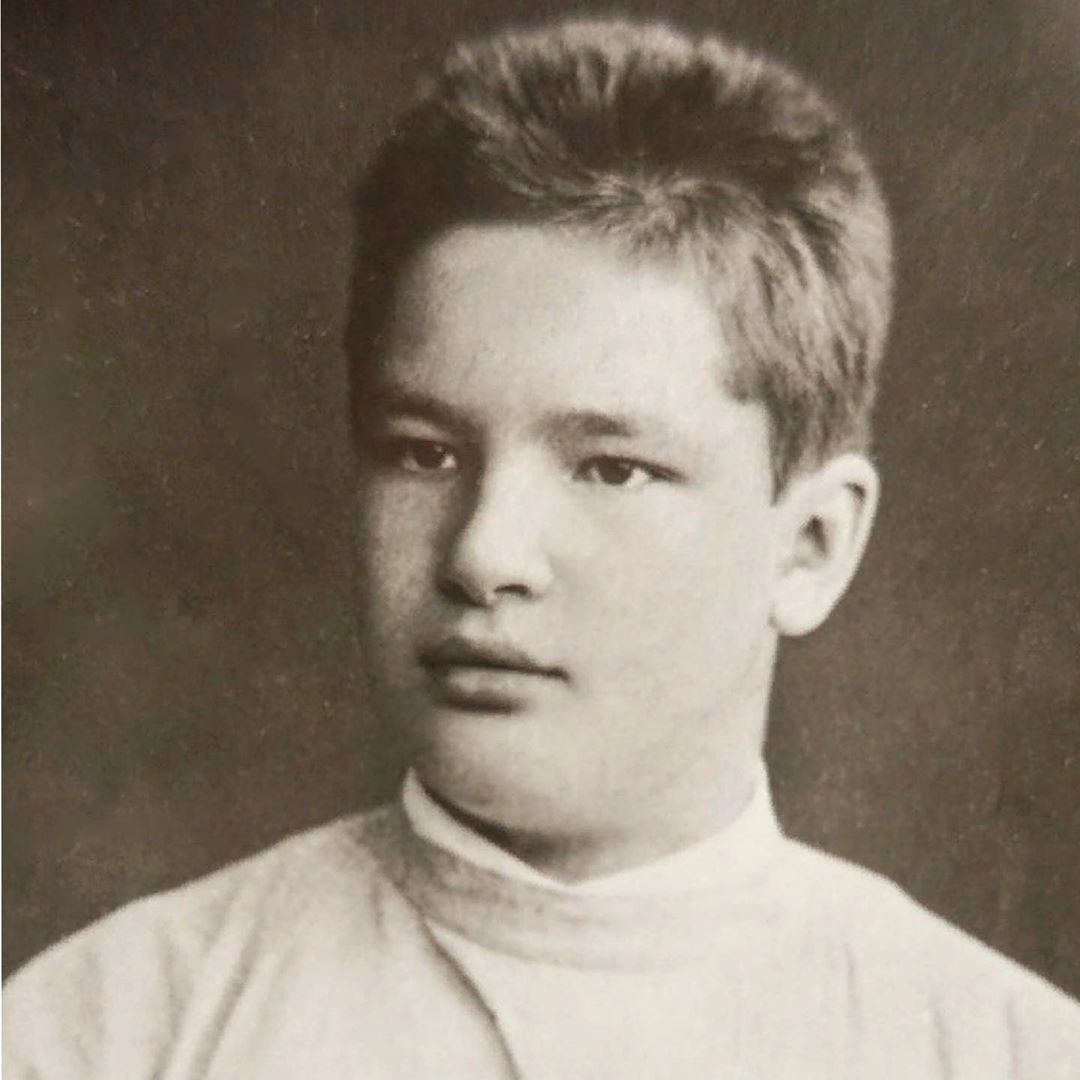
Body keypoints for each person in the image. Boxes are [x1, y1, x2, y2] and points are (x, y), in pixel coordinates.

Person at [4, 17, 1079, 1079]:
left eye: (611, 468)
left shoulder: (999, 1053)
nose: (484, 553)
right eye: (424, 453)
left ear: (809, 546)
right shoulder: (109, 1032)